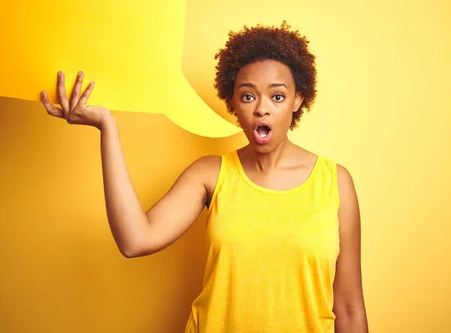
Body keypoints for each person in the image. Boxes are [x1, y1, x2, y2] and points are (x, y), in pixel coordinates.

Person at [40, 21, 368, 333]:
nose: (262, 109)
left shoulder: (334, 182)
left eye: (277, 96)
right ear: (234, 103)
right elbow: (135, 239)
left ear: (298, 100)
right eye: (248, 96)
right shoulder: (210, 174)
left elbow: (350, 308)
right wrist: (106, 127)